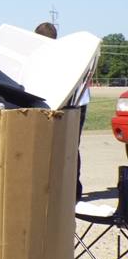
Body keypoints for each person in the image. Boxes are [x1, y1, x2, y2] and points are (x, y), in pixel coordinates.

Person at [35, 21, 87, 201]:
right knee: (70, 146)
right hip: (76, 103)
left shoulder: (54, 54)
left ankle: (73, 192)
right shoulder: (66, 52)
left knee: (68, 147)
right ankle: (71, 191)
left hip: (72, 103)